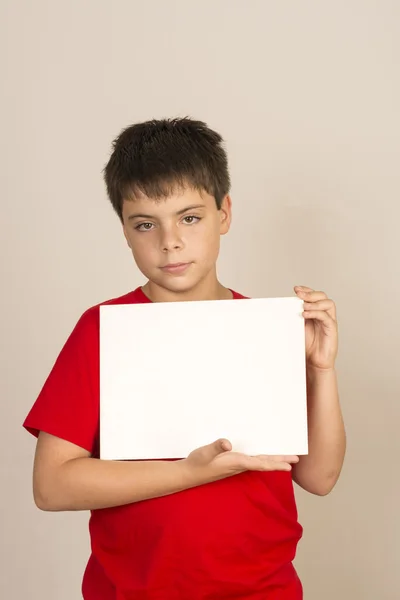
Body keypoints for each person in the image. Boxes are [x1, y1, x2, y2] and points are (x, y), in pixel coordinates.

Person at [23, 117, 346, 600]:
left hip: (263, 590)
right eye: (145, 224)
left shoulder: (267, 328)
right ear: (126, 232)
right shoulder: (103, 329)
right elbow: (52, 485)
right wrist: (188, 472)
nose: (169, 241)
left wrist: (321, 370)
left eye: (189, 218)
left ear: (224, 214)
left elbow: (319, 477)